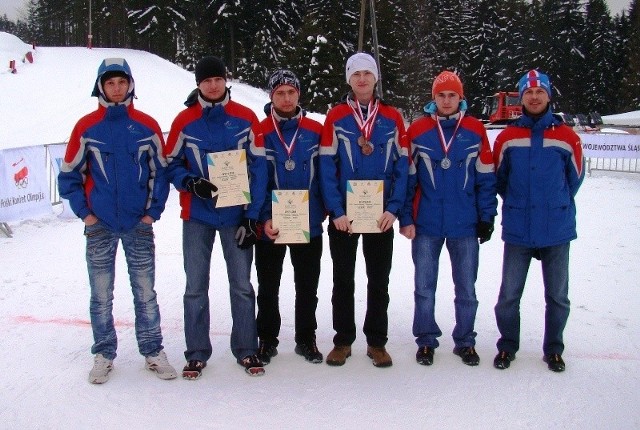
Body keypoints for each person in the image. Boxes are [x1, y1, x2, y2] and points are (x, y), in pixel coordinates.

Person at [58, 58, 176, 384]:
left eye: (121, 82)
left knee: (145, 292)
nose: (116, 88)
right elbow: (69, 176)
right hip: (101, 225)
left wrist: (152, 213)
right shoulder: (86, 128)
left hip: (138, 223)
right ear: (100, 87)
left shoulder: (147, 126)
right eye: (110, 83)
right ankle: (104, 353)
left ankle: (152, 350)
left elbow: (161, 173)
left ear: (130, 85)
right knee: (100, 293)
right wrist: (87, 215)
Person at [164, 56, 268, 379]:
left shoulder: (246, 118)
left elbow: (259, 168)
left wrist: (252, 217)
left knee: (241, 285)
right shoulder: (184, 121)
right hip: (198, 216)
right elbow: (171, 163)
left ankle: (247, 349)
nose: (213, 85)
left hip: (236, 215)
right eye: (206, 80)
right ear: (198, 84)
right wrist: (189, 183)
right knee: (195, 285)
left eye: (217, 79)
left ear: (226, 81)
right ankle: (196, 352)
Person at [399, 71, 497, 367]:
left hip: (464, 224)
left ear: (460, 97)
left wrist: (487, 216)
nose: (446, 100)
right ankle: (426, 340)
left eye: (451, 95)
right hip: (426, 223)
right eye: (440, 95)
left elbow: (486, 178)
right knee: (424, 287)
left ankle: (465, 341)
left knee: (466, 287)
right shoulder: (417, 131)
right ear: (434, 98)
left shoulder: (475, 129)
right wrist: (406, 217)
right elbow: (407, 180)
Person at [319, 52, 409, 368]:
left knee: (378, 280)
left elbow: (403, 166)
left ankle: (376, 342)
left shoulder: (392, 118)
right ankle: (342, 341)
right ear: (349, 79)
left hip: (380, 215)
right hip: (345, 216)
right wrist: (335, 210)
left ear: (375, 78)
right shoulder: (336, 117)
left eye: (367, 74)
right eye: (355, 74)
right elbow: (326, 165)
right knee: (343, 279)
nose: (361, 79)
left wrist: (395, 208)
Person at [492, 70, 584, 372]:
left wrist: (553, 203)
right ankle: (507, 345)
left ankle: (554, 348)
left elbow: (575, 179)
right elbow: (500, 180)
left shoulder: (568, 137)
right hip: (519, 227)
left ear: (548, 95)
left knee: (557, 296)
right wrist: (520, 203)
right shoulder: (507, 137)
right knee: (508, 296)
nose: (533, 97)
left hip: (556, 229)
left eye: (539, 92)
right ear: (521, 96)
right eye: (528, 92)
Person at [255, 70, 325, 365]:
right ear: (271, 96)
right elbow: (252, 179)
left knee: (307, 286)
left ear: (299, 95)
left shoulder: (315, 130)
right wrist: (262, 218)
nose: (286, 98)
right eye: (280, 93)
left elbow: (325, 177)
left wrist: (319, 213)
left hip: (307, 222)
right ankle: (267, 340)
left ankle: (305, 338)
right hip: (271, 224)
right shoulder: (259, 131)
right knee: (268, 286)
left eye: (291, 92)